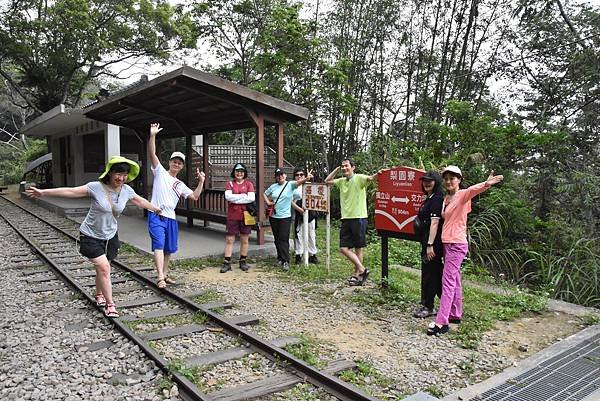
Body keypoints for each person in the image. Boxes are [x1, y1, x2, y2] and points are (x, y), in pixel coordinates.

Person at [26, 156, 162, 317]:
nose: (121, 178)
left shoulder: (127, 191)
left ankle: (99, 295)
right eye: (118, 174)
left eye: (125, 175)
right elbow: (71, 191)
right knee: (104, 268)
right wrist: (43, 192)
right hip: (90, 235)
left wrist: (155, 209)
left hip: (110, 236)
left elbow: (140, 201)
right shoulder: (96, 187)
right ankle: (110, 305)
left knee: (102, 269)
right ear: (110, 173)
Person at [427, 166, 503, 336]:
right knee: (455, 279)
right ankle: (455, 313)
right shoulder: (447, 198)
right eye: (446, 178)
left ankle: (441, 322)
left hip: (456, 244)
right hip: (448, 243)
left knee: (447, 283)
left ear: (459, 180)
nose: (448, 181)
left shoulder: (462, 195)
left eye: (452, 178)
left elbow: (472, 190)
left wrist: (486, 184)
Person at [148, 122, 205, 288]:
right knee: (158, 245)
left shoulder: (179, 184)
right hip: (156, 214)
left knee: (169, 249)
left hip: (171, 218)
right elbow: (152, 153)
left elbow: (194, 196)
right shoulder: (159, 172)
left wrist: (201, 181)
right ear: (170, 162)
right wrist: (153, 135)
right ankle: (159, 276)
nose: (176, 164)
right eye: (174, 161)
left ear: (182, 166)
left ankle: (164, 274)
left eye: (180, 163)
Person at [325, 158, 379, 286]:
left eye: (346, 166)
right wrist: (337, 169)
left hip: (359, 217)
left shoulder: (359, 178)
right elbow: (327, 181)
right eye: (343, 166)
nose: (344, 168)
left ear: (353, 167)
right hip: (346, 218)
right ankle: (362, 270)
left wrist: (379, 173)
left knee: (358, 248)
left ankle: (357, 275)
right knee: (343, 248)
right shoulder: (341, 181)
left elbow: (371, 178)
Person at [264, 167, 313, 271]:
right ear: (275, 177)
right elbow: (265, 193)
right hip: (274, 216)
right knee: (277, 239)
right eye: (278, 175)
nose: (280, 177)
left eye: (282, 174)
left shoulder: (290, 185)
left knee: (284, 238)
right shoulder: (273, 187)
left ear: (285, 175)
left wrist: (307, 178)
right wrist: (268, 202)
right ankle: (280, 258)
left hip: (285, 217)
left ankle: (285, 261)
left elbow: (299, 182)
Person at [413, 170, 444, 318]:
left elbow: (435, 223)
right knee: (436, 273)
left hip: (433, 243)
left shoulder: (437, 199)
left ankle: (428, 306)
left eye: (430, 180)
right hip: (427, 241)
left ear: (436, 182)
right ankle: (447, 304)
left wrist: (430, 245)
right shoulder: (430, 198)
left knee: (430, 274)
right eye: (424, 180)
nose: (426, 183)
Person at [221, 162, 255, 273]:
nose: (239, 173)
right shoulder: (230, 184)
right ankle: (226, 262)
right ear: (234, 172)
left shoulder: (249, 184)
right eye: (237, 171)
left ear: (244, 173)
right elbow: (228, 197)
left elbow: (251, 198)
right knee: (230, 239)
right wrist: (243, 196)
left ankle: (243, 261)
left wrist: (236, 198)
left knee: (245, 239)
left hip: (246, 215)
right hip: (233, 215)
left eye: (241, 171)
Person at [291, 167, 319, 264]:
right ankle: (299, 254)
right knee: (299, 234)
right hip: (298, 214)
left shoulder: (310, 185)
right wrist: (299, 210)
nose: (299, 176)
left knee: (311, 234)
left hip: (310, 214)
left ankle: (312, 254)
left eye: (301, 174)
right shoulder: (292, 186)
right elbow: (290, 201)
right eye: (297, 175)